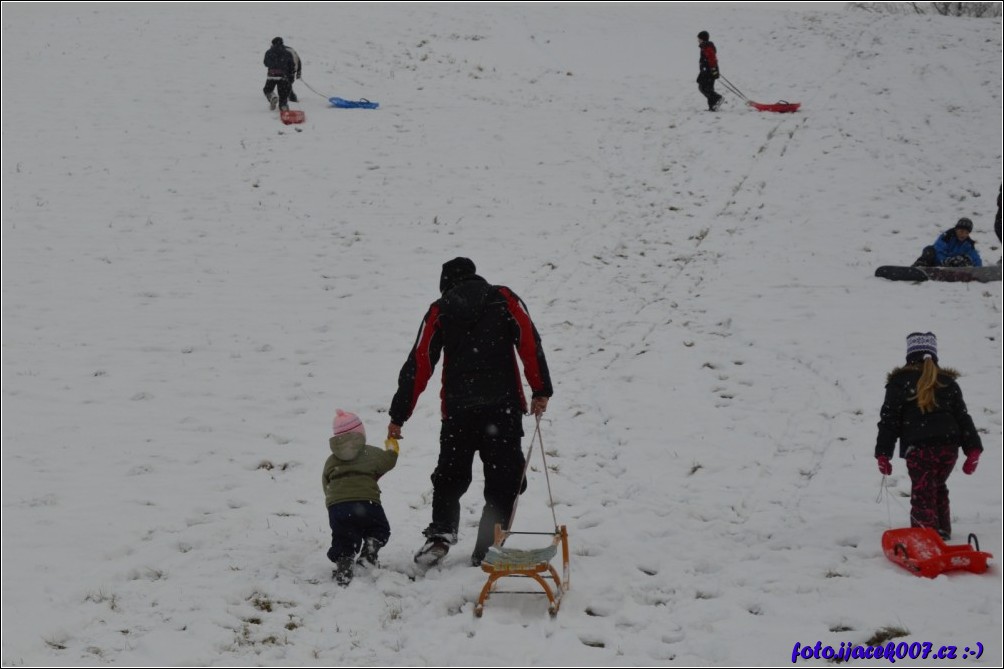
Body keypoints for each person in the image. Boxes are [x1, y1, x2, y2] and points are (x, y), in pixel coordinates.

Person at [387, 257, 554, 567]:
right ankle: (487, 548)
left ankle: (440, 534)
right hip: (501, 409)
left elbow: (420, 362)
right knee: (504, 479)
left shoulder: (440, 310)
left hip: (459, 411)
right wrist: (540, 388)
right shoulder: (503, 298)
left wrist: (399, 415)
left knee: (451, 474)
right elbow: (530, 342)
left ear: (445, 285)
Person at [874, 332, 983, 540]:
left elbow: (889, 421)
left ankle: (925, 538)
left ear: (909, 356)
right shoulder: (947, 382)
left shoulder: (899, 383)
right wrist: (973, 449)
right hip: (949, 447)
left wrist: (883, 454)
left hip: (920, 448)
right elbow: (963, 417)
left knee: (923, 492)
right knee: (938, 486)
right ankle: (941, 531)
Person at [323, 409, 399, 585]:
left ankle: (344, 562)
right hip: (367, 503)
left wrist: (333, 502)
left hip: (338, 507)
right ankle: (370, 550)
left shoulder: (331, 460)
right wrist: (392, 444)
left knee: (343, 537)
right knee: (378, 528)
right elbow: (389, 460)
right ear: (360, 433)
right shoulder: (369, 453)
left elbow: (325, 482)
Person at [912, 217, 982, 268]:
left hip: (951, 266)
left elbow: (975, 257)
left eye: (966, 233)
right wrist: (945, 260)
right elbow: (938, 250)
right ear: (956, 230)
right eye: (961, 231)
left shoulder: (968, 244)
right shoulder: (947, 237)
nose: (963, 235)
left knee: (965, 258)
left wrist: (979, 269)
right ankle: (919, 267)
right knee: (929, 250)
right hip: (935, 262)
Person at [263, 36, 297, 112]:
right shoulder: (287, 53)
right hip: (283, 77)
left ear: (273, 43)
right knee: (283, 94)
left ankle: (272, 97)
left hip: (271, 76)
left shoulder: (269, 52)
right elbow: (292, 66)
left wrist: (273, 65)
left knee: (267, 89)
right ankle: (283, 106)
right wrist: (291, 76)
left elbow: (265, 63)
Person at [697, 30, 723, 112]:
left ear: (702, 39)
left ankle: (717, 98)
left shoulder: (706, 46)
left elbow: (712, 59)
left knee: (703, 87)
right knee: (709, 88)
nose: (698, 40)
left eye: (699, 39)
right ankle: (712, 107)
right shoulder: (705, 46)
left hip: (708, 71)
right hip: (707, 70)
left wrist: (713, 70)